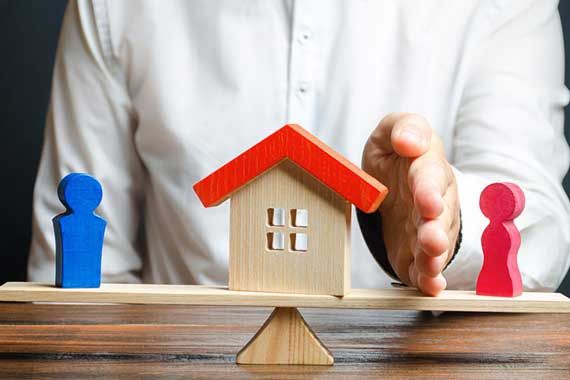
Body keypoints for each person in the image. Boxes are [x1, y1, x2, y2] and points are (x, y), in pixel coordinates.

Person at [29, 0, 570, 296]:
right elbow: (78, 284)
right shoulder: (112, 8)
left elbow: (538, 223)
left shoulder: (504, 7)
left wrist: (442, 230)